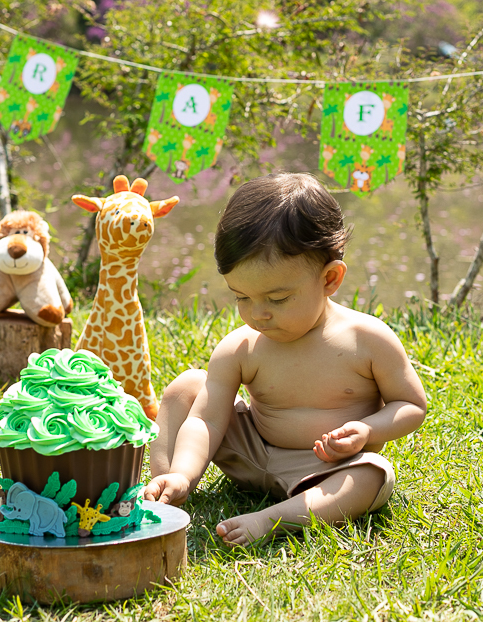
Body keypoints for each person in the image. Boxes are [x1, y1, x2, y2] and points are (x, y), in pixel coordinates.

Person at [144, 172, 428, 546]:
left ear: (330, 279)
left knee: (373, 474)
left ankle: (275, 519)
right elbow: (207, 419)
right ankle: (167, 492)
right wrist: (184, 471)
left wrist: (369, 431)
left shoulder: (366, 339)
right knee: (187, 387)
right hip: (251, 452)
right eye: (241, 297)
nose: (257, 314)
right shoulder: (242, 346)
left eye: (277, 299)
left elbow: (410, 405)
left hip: (326, 467)